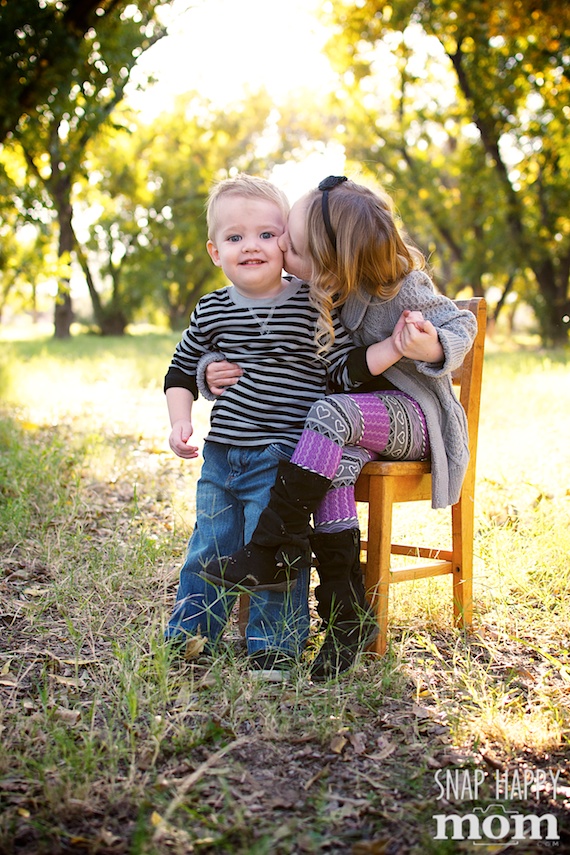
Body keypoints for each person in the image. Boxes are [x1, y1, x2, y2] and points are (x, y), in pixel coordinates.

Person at [200, 175, 478, 681]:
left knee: (329, 413)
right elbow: (258, 343)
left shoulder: (402, 284)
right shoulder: (320, 293)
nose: (281, 248)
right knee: (332, 468)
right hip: (357, 430)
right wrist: (210, 368)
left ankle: (265, 547)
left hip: (416, 419)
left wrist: (431, 345)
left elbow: (462, 326)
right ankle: (346, 616)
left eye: (295, 247)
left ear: (332, 261)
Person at [164, 173, 411, 679]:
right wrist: (181, 420)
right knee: (209, 544)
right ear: (215, 251)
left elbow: (343, 369)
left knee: (278, 548)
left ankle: (275, 646)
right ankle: (191, 635)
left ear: (289, 243)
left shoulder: (311, 301)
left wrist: (392, 349)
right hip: (222, 452)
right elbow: (180, 370)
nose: (250, 246)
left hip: (286, 452)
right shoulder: (211, 309)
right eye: (234, 238)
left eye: (266, 235)